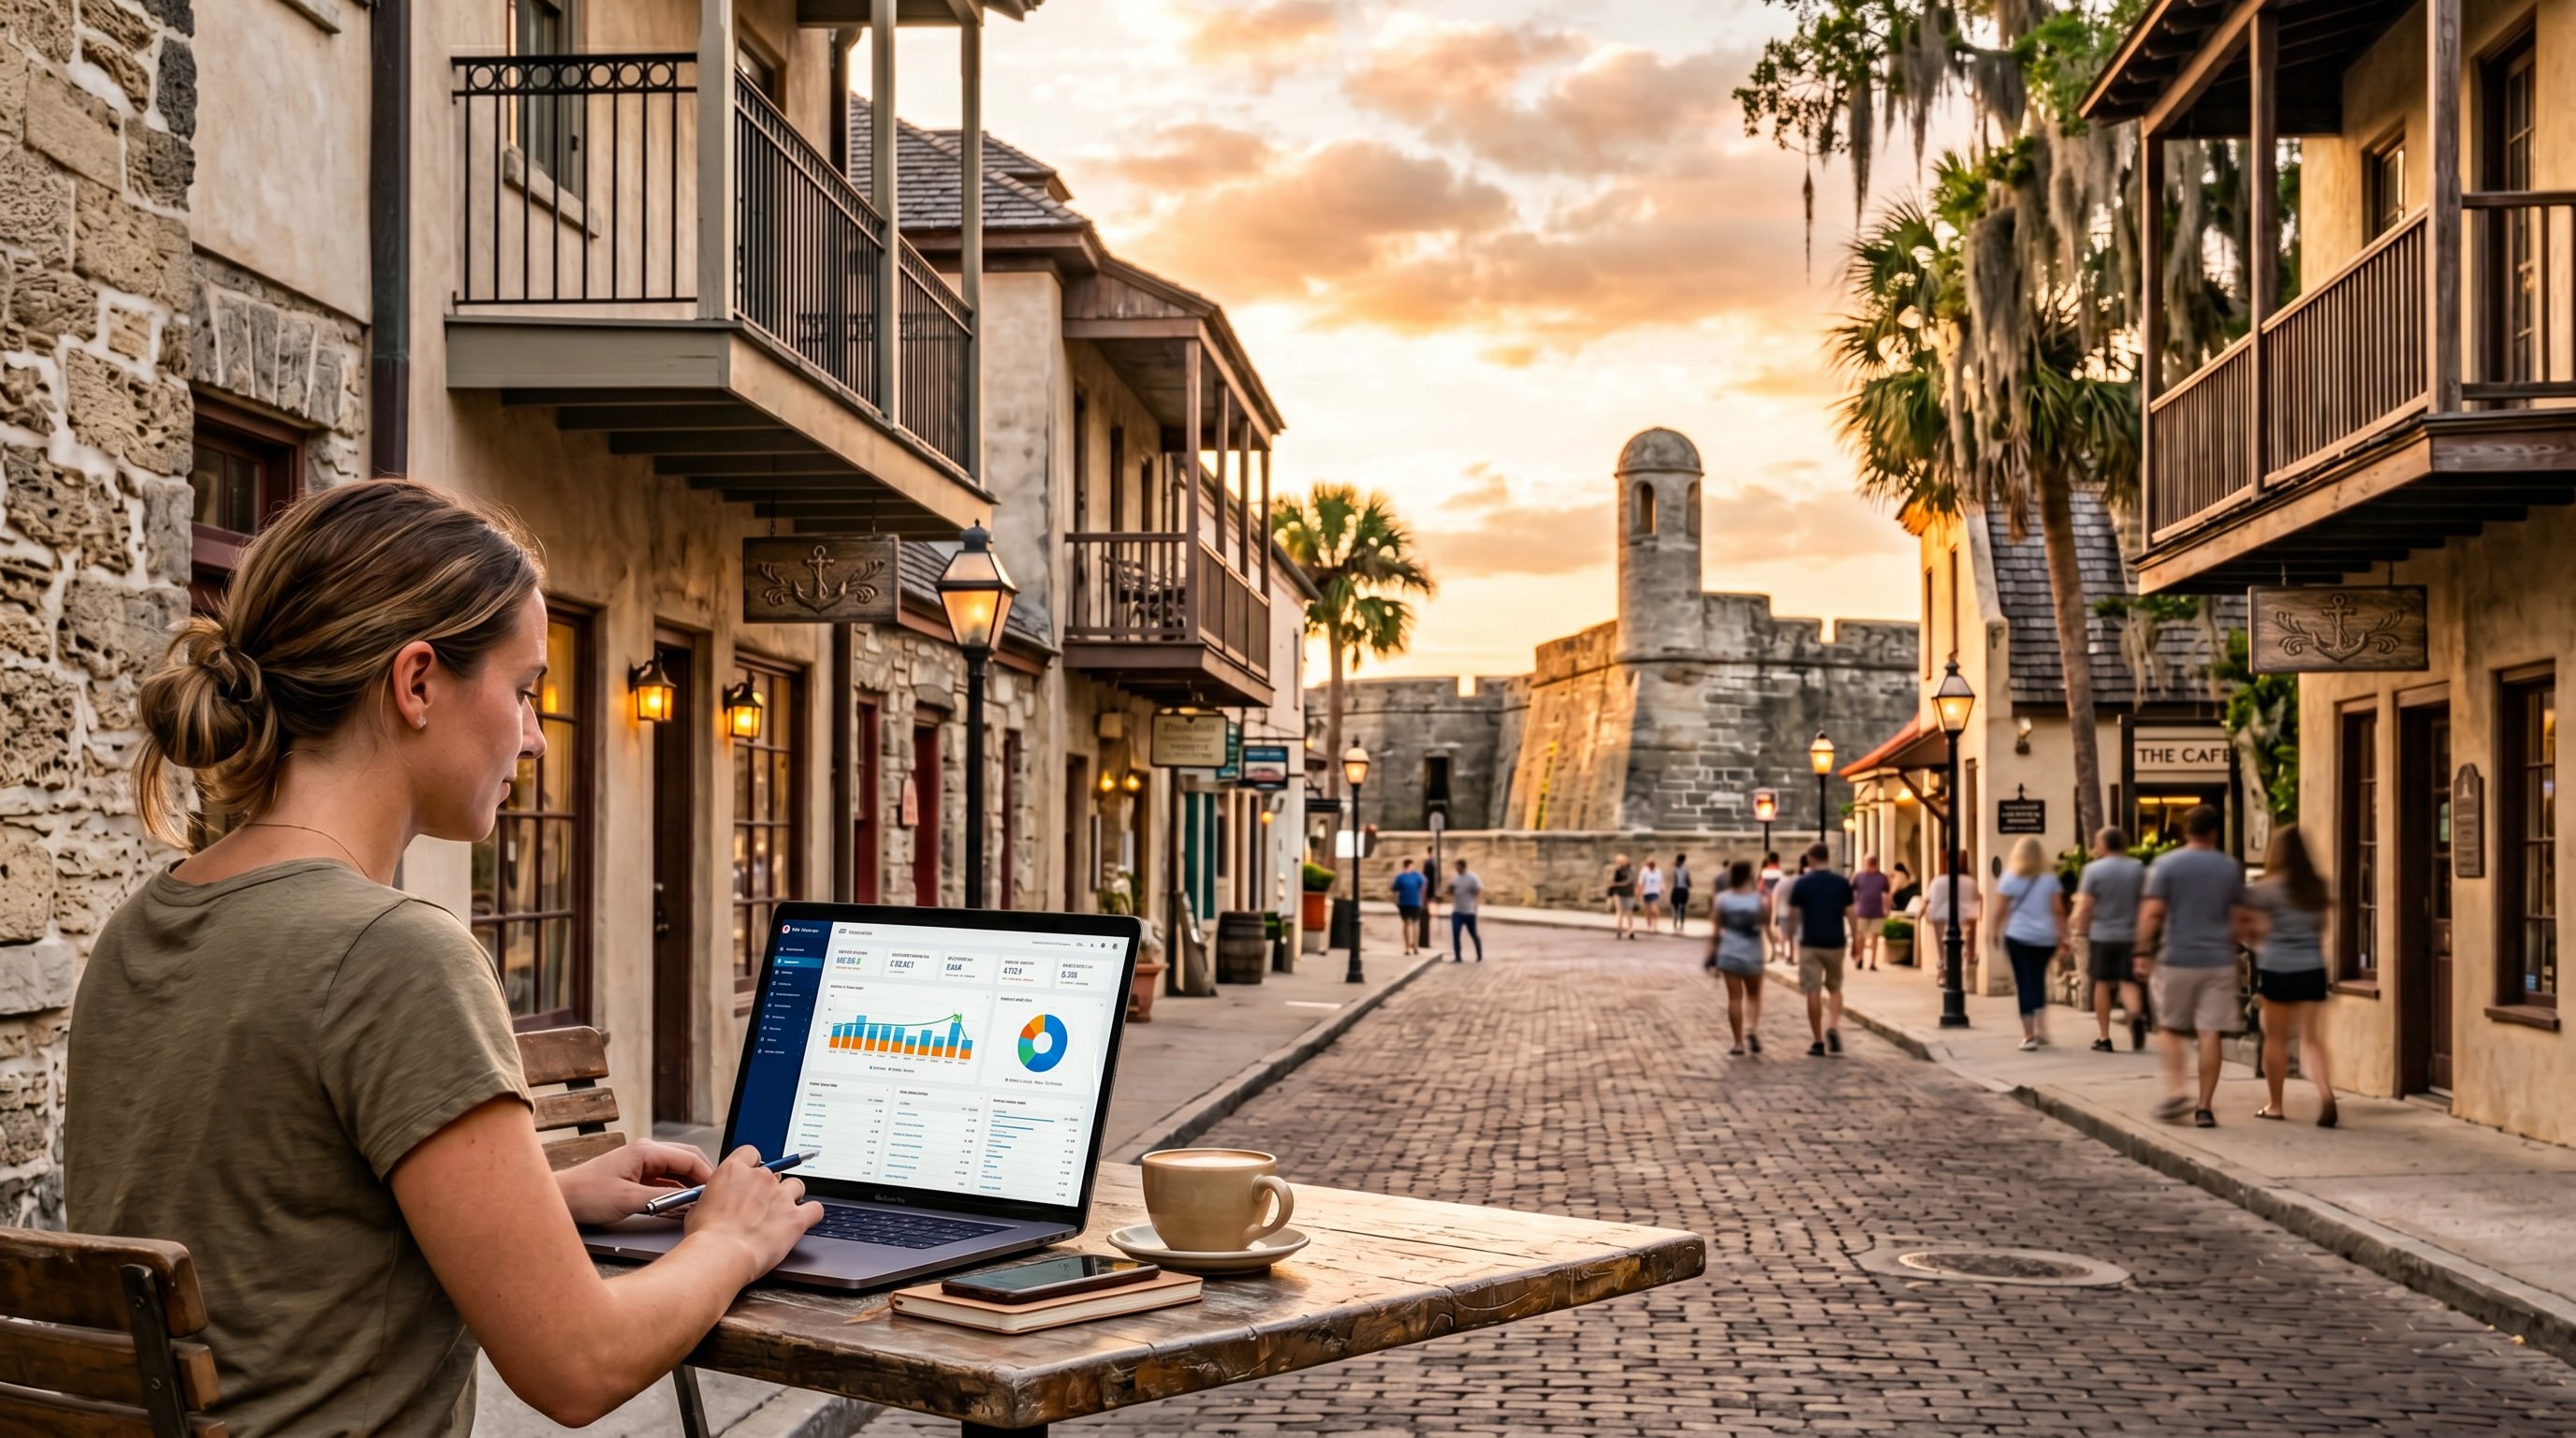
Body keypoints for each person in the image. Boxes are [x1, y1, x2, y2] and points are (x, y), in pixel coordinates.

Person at [66, 481, 821, 1435]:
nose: (535, 738)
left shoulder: (144, 922)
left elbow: (269, 1227)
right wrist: (730, 1240)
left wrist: (541, 1203)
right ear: (417, 683)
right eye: (522, 690)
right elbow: (576, 1367)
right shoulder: (394, 954)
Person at [2138, 804, 2246, 1128]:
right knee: (2209, 1032)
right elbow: (2239, 917)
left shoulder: (2166, 865)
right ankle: (2204, 1107)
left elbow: (2153, 912)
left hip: (2177, 959)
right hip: (2218, 961)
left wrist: (2142, 951)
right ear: (2215, 832)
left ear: (2186, 831)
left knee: (2170, 1028)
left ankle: (2175, 1092)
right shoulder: (2229, 868)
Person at [2241, 825, 2337, 1127]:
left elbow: (2252, 931)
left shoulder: (2266, 889)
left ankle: (2276, 1105)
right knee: (2312, 1039)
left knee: (2276, 1039)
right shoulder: (2316, 887)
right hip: (2311, 968)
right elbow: (2321, 928)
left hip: (2277, 969)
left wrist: (2262, 942)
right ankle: (2326, 1094)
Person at [2071, 827, 2149, 1051]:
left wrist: (2078, 929)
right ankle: (2136, 1017)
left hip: (2102, 935)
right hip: (2131, 935)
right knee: (2128, 981)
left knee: (2102, 983)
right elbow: (2146, 903)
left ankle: (2104, 1037)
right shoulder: (2138, 869)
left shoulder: (2093, 870)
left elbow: (2085, 905)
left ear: (2103, 844)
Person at [1993, 837, 2068, 1050]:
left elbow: (2001, 910)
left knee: (2024, 982)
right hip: (2045, 938)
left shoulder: (2009, 878)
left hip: (2018, 936)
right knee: (2038, 979)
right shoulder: (2050, 879)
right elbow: (2058, 911)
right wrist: (2063, 937)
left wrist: (1994, 931)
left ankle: (2029, 1035)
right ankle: (2042, 1028)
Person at [1785, 844, 1857, 1056]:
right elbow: (1851, 914)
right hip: (1835, 942)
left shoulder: (1802, 883)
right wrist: (1857, 939)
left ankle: (1817, 1041)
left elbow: (1792, 915)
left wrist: (1790, 940)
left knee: (1813, 991)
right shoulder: (1841, 883)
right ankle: (1833, 1026)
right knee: (1835, 988)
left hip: (1811, 942)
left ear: (1810, 859)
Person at [1710, 859, 1768, 1055]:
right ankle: (1751, 1028)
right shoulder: (1758, 899)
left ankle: (1738, 1043)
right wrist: (1775, 948)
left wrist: (1713, 957)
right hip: (1753, 953)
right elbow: (1765, 927)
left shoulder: (1723, 899)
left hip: (1730, 953)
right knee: (1754, 995)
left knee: (1734, 998)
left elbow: (1716, 932)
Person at [1920, 852, 1980, 990]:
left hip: (1941, 916)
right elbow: (1977, 899)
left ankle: (1943, 970)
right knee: (1968, 946)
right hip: (1966, 916)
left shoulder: (1938, 882)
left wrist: (1921, 914)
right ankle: (1970, 975)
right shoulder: (1970, 882)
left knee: (1942, 946)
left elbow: (1927, 900)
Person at [1852, 854, 1891, 970]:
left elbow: (1887, 893)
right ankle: (1860, 958)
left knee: (1875, 937)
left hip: (1877, 911)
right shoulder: (1858, 876)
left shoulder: (1882, 877)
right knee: (1860, 937)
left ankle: (1872, 962)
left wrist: (1886, 909)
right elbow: (1851, 892)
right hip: (1861, 911)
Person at [1772, 852, 1809, 965]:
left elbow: (1775, 895)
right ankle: (1796, 957)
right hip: (1799, 912)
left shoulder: (1783, 881)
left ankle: (1789, 956)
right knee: (1797, 935)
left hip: (1784, 912)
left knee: (1788, 936)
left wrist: (1774, 916)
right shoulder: (1802, 880)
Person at [1448, 858, 1486, 962]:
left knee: (1473, 934)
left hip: (1469, 911)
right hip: (1457, 911)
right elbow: (1450, 890)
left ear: (1463, 867)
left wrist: (1475, 904)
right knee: (1455, 933)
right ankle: (1458, 956)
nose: (1456, 869)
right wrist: (1450, 890)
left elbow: (1478, 889)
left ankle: (1479, 955)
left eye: (1458, 866)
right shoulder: (1455, 878)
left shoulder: (1472, 877)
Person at [1390, 858, 1427, 956]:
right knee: (1414, 924)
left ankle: (1409, 946)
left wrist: (1395, 900)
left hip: (1406, 902)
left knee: (1407, 924)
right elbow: (1424, 885)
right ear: (1410, 865)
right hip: (1412, 902)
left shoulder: (1401, 876)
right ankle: (1413, 946)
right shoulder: (1416, 875)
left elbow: (1394, 889)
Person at [1607, 852, 1639, 939]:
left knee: (1629, 912)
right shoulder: (1617, 869)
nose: (1621, 863)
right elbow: (1612, 880)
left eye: (1622, 861)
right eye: (1619, 862)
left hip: (1628, 892)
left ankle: (1631, 929)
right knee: (1620, 911)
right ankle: (1619, 929)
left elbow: (1630, 881)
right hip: (1618, 893)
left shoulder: (1631, 869)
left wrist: (1617, 884)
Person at [1669, 853, 1693, 936]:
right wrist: (1689, 885)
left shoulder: (1674, 868)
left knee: (1675, 908)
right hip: (1683, 890)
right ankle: (1681, 925)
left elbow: (1674, 880)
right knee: (1682, 908)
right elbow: (1688, 881)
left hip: (1676, 890)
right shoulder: (1685, 869)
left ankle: (1675, 925)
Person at [1638, 858, 1666, 931]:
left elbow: (1661, 881)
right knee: (1647, 910)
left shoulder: (1658, 871)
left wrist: (1663, 889)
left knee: (1654, 908)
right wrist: (1639, 893)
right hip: (1646, 892)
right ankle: (1649, 924)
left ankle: (1655, 924)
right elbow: (1641, 883)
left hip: (1655, 892)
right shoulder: (1644, 871)